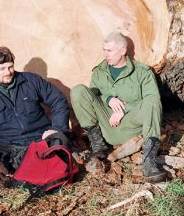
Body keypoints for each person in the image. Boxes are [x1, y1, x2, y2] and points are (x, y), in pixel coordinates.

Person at [0, 46, 70, 182]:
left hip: (39, 138)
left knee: (59, 139)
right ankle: (26, 161)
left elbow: (58, 101)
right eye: (2, 69)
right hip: (7, 144)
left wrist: (56, 129)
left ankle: (19, 164)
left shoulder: (31, 81)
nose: (8, 72)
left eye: (10, 67)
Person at [71, 32, 168, 183]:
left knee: (152, 103)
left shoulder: (142, 71)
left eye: (109, 50)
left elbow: (152, 99)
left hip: (132, 126)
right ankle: (98, 145)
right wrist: (108, 99)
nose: (105, 54)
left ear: (123, 51)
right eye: (104, 50)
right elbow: (92, 95)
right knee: (78, 91)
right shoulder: (99, 71)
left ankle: (149, 162)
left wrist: (125, 108)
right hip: (106, 125)